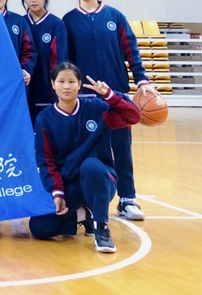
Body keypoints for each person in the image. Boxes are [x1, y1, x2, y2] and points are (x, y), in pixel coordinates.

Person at [62, 0, 157, 221]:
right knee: (87, 153)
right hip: (85, 100)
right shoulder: (68, 21)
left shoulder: (115, 16)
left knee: (122, 149)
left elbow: (131, 51)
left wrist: (142, 80)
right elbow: (65, 62)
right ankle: (87, 200)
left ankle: (127, 199)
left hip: (117, 96)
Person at [29, 62, 141, 253]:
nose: (66, 86)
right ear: (53, 84)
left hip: (101, 180)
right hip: (70, 185)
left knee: (91, 166)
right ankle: (82, 214)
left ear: (79, 84)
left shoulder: (97, 108)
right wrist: (57, 192)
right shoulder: (45, 119)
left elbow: (133, 117)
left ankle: (100, 226)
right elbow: (46, 161)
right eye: (61, 81)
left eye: (71, 81)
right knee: (40, 227)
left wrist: (109, 95)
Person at [21, 0, 68, 125]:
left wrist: (56, 93)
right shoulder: (19, 23)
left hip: (47, 94)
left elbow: (59, 61)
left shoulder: (56, 24)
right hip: (24, 94)